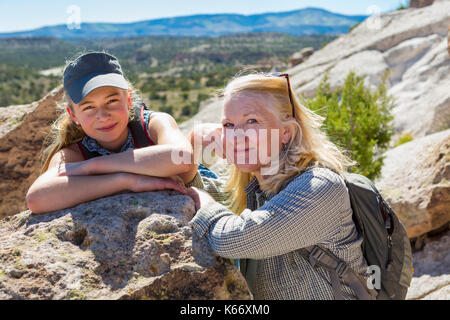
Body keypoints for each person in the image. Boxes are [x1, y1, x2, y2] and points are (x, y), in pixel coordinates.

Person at [185, 73, 372, 300]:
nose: (236, 136)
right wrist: (192, 141)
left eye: (252, 121)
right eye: (229, 125)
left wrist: (204, 203)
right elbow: (188, 190)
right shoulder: (256, 188)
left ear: (286, 132)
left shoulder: (319, 187)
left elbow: (230, 239)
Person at [26, 52, 200, 214]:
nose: (103, 116)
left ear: (129, 100)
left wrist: (93, 167)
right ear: (73, 115)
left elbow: (182, 157)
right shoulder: (73, 153)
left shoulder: (152, 124)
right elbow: (37, 199)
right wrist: (127, 181)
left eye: (111, 101)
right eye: (88, 107)